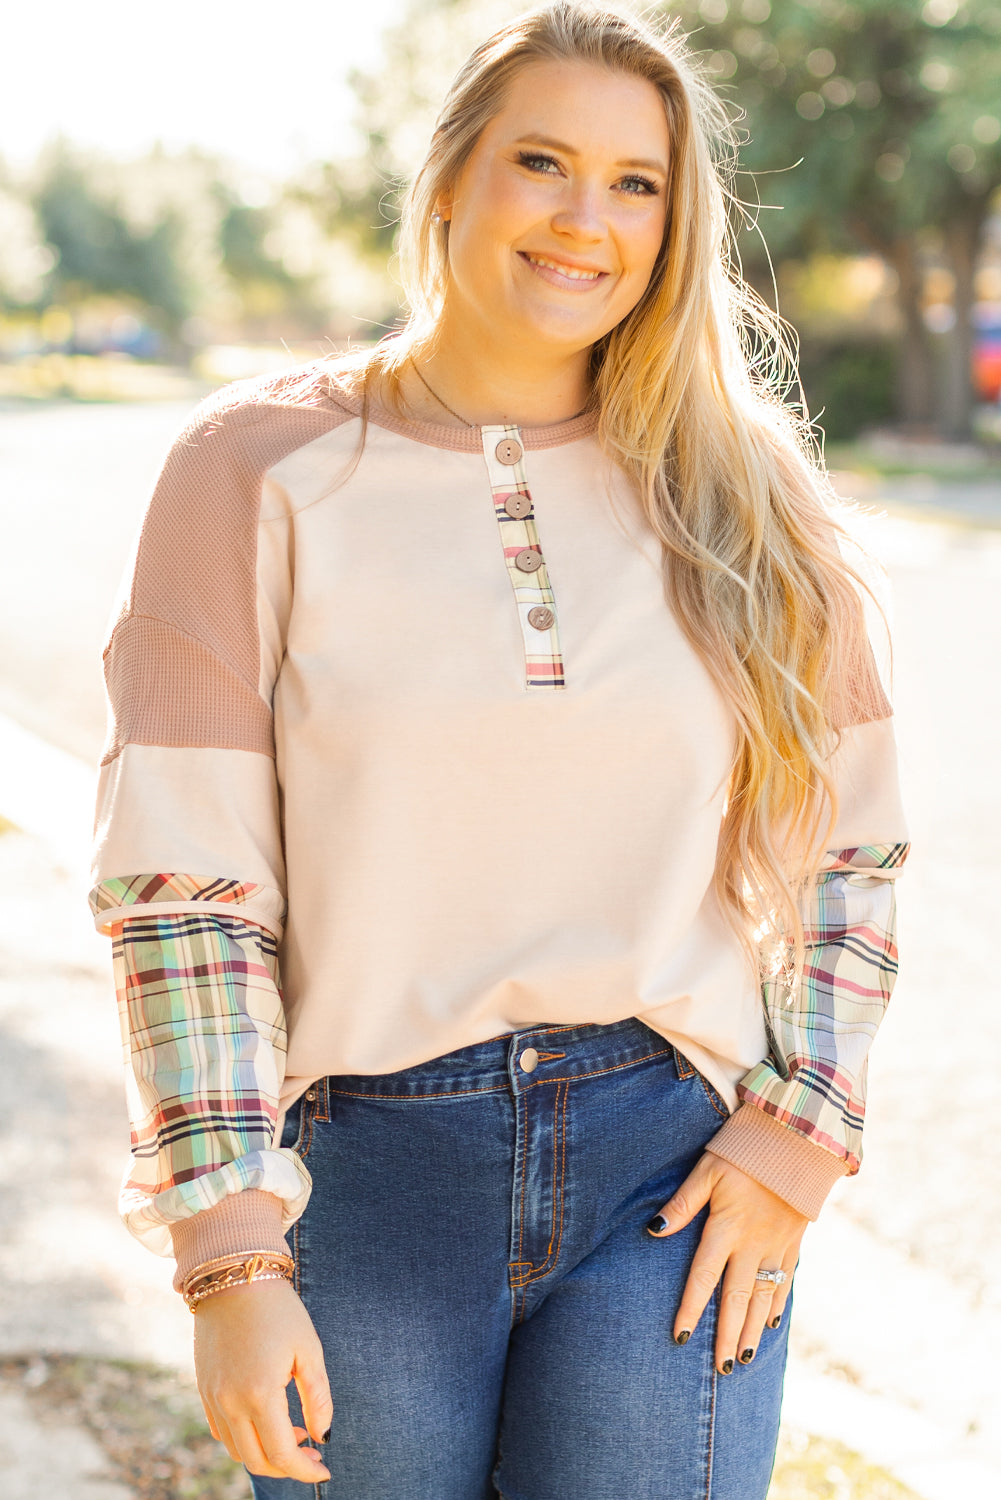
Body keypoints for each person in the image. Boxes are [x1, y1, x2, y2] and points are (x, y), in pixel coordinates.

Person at [88, 4, 909, 1496]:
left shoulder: (745, 489)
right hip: (362, 1177)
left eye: (636, 183)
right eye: (542, 162)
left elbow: (847, 847)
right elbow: (184, 883)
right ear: (452, 177)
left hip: (667, 1171)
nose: (586, 218)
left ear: (673, 225)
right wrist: (228, 1246)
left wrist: (801, 1135)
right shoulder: (252, 469)